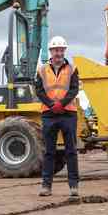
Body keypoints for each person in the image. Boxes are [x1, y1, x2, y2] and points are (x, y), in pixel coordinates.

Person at [34, 36, 80, 197]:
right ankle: (46, 186)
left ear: (64, 51)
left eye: (61, 50)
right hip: (49, 114)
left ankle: (74, 186)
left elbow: (74, 89)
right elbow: (38, 90)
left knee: (71, 150)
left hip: (68, 113)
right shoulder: (41, 70)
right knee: (49, 151)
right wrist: (51, 104)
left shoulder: (72, 68)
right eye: (56, 50)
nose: (58, 53)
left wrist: (62, 103)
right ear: (51, 52)